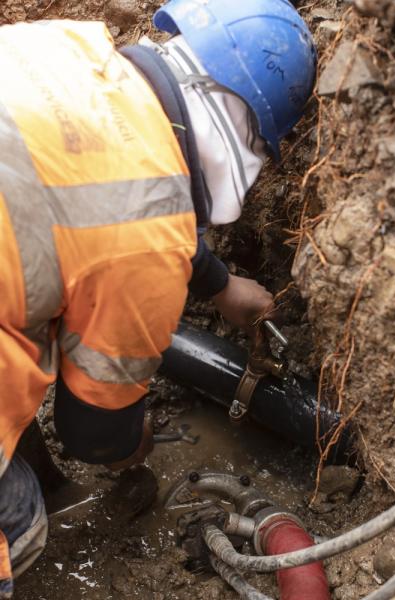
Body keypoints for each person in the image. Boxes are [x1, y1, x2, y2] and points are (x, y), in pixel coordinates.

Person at [0, 0, 316, 595]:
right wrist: (130, 445)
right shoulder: (145, 242)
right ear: (246, 139)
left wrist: (217, 283)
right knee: (17, 520)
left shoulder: (63, 47)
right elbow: (90, 430)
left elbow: (88, 199)